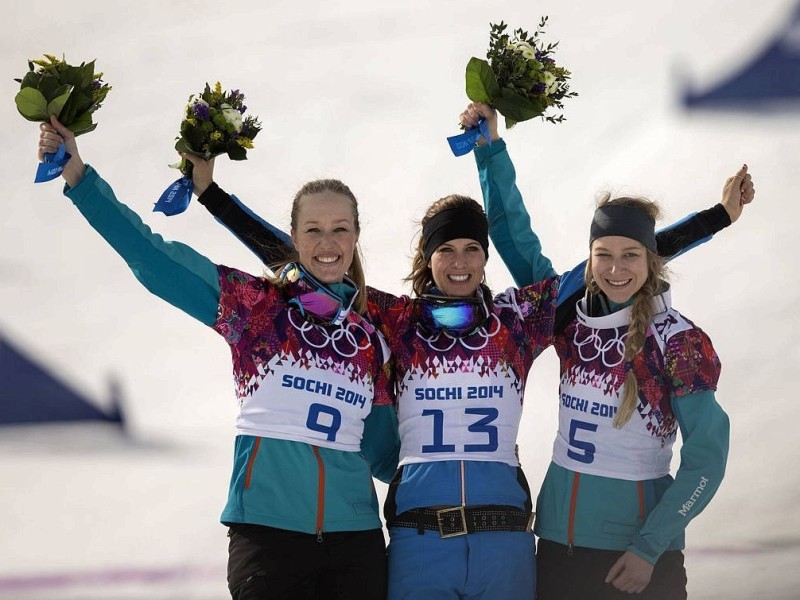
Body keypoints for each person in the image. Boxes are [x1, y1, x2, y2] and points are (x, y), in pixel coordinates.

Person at [187, 142, 745, 600]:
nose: (459, 261)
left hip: (504, 545)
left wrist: (714, 219)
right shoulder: (395, 320)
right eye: (445, 248)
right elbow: (300, 265)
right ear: (425, 257)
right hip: (419, 542)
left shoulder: (518, 319)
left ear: (484, 256)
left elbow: (615, 263)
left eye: (472, 248)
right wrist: (214, 198)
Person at [36, 116, 400, 600]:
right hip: (268, 537)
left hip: (356, 541)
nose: (327, 243)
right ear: (292, 237)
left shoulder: (370, 336)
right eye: (312, 229)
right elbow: (153, 257)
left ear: (356, 237)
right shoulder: (255, 309)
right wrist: (79, 178)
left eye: (340, 229)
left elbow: (385, 451)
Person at [461, 102, 753, 599]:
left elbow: (708, 459)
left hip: (638, 559)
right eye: (604, 256)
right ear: (590, 259)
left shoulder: (678, 341)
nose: (617, 269)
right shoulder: (565, 314)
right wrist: (489, 150)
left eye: (631, 256)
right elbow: (513, 235)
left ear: (651, 260)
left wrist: (649, 548)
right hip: (557, 545)